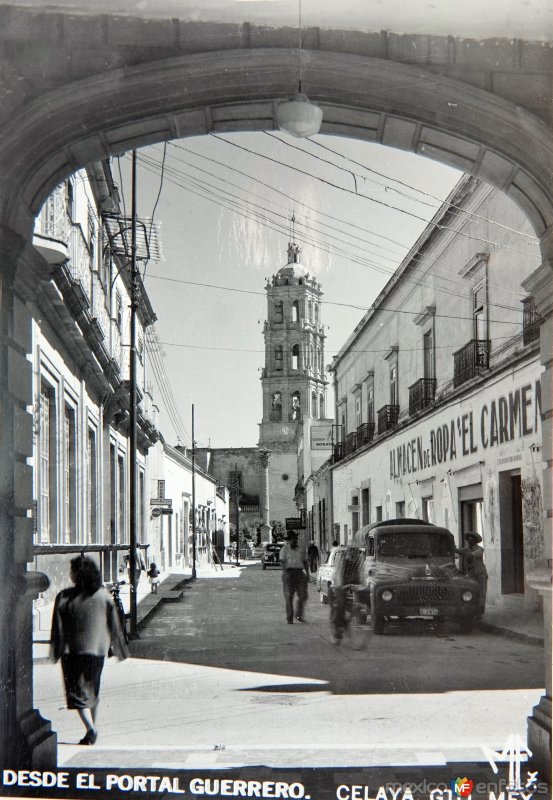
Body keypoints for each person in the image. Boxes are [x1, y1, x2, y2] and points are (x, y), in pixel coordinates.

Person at [50, 556, 129, 745]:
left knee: (76, 694)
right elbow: (115, 625)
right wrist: (118, 649)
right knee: (92, 692)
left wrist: (56, 650)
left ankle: (91, 729)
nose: (70, 574)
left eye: (72, 571)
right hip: (97, 651)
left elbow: (57, 627)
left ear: (78, 574)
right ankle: (91, 730)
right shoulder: (103, 596)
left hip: (73, 652)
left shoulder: (64, 596)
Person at [329, 546, 366, 645]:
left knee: (357, 605)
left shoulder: (358, 561)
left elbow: (362, 574)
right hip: (339, 585)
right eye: (353, 555)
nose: (355, 557)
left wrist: (363, 584)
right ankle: (337, 634)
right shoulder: (342, 561)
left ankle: (348, 623)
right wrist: (342, 586)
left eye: (357, 555)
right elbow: (339, 574)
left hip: (352, 585)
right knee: (340, 606)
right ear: (349, 554)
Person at [279, 531, 309, 623]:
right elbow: (282, 562)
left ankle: (298, 614)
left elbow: (305, 562)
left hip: (299, 573)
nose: (293, 540)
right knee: (289, 597)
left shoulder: (301, 549)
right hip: (289, 573)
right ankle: (289, 618)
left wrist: (307, 573)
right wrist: (285, 573)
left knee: (303, 595)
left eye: (294, 538)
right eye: (291, 539)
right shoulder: (284, 549)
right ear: (288, 540)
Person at [456, 532, 488, 616]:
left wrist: (469, 554)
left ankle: (480, 612)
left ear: (475, 541)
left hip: (480, 574)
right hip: (472, 574)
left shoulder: (479, 548)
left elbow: (478, 553)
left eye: (472, 540)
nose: (470, 542)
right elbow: (458, 551)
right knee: (472, 593)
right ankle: (474, 611)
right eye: (469, 540)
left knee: (481, 592)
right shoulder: (466, 549)